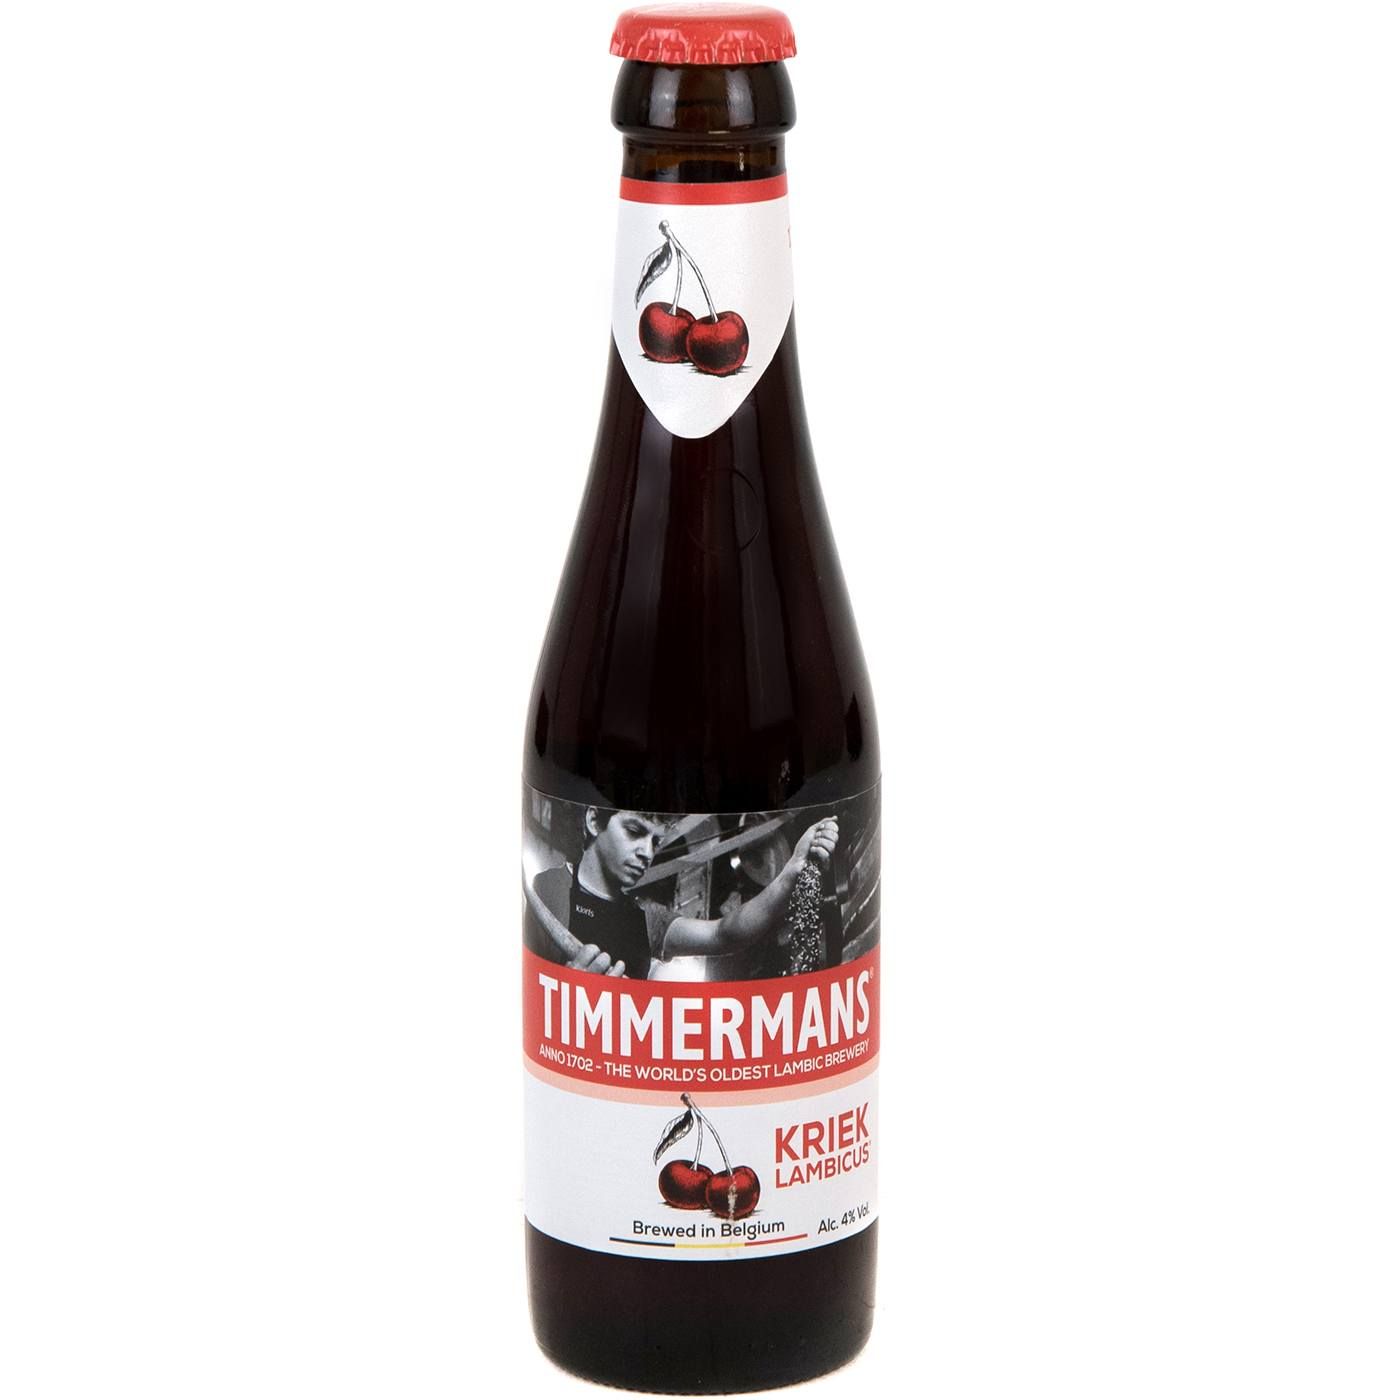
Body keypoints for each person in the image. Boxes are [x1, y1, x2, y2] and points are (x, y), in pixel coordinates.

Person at [527, 807, 838, 979]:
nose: (646, 853)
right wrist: (565, 990)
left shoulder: (646, 917)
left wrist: (791, 872)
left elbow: (724, 933)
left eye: (655, 842)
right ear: (594, 821)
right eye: (634, 832)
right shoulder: (543, 886)